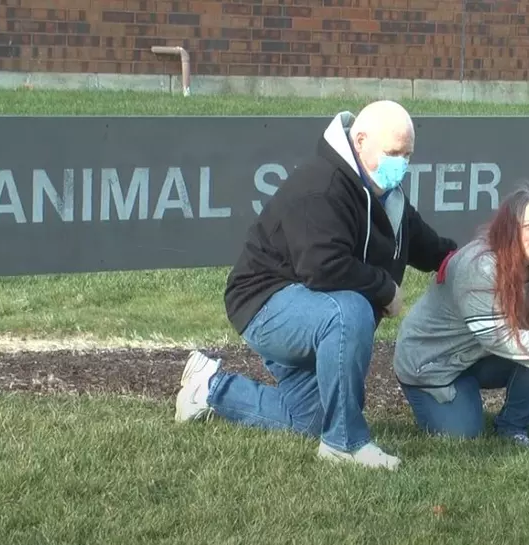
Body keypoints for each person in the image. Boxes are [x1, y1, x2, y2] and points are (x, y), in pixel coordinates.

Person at [173, 100, 458, 471]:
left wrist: (470, 263)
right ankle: (345, 444)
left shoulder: (385, 195)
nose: (401, 163)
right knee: (350, 310)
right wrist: (385, 289)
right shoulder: (322, 185)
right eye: (392, 153)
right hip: (263, 302)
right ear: (360, 141)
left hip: (308, 308)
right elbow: (322, 267)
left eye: (407, 154)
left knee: (312, 417)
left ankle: (208, 388)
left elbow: (426, 246)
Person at [391, 185, 529, 449]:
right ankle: (443, 400)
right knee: (463, 435)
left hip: (479, 354)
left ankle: (513, 427)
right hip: (432, 364)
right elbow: (499, 339)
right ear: (509, 228)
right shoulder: (480, 266)